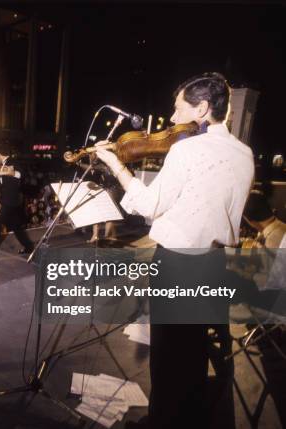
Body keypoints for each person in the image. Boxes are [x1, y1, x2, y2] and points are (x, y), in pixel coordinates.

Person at [96, 72, 254, 429]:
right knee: (194, 353)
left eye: (178, 108)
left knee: (168, 358)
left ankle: (163, 421)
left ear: (201, 108)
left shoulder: (185, 149)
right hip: (215, 265)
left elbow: (150, 205)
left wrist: (117, 166)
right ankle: (189, 417)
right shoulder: (245, 153)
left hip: (179, 262)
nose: (171, 118)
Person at [0, 144, 34, 257]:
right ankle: (29, 247)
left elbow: (21, 174)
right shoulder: (4, 164)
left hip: (9, 200)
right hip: (12, 201)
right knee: (16, 226)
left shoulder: (12, 161)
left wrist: (11, 172)